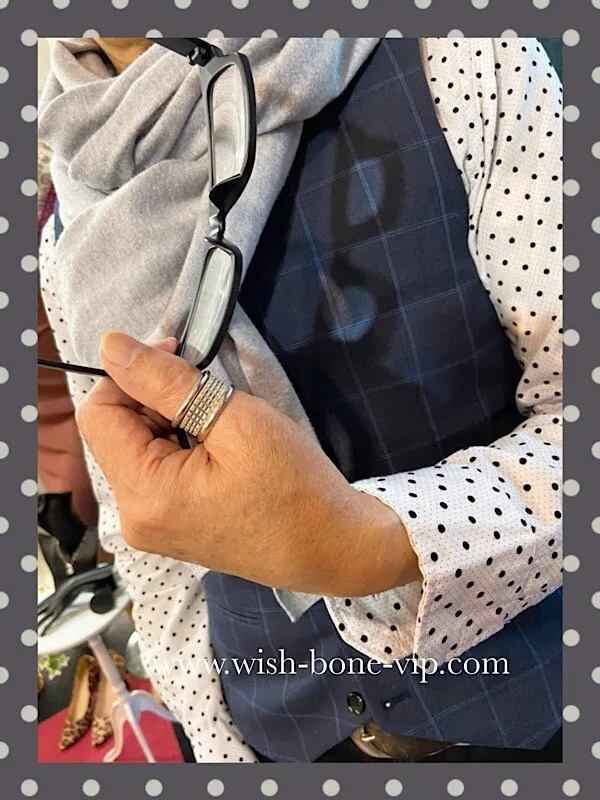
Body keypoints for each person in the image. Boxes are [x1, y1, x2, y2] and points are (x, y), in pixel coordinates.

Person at [39, 36, 563, 762]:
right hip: (278, 739)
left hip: (532, 720)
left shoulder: (460, 53)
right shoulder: (71, 226)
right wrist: (219, 740)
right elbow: (144, 540)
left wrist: (371, 542)